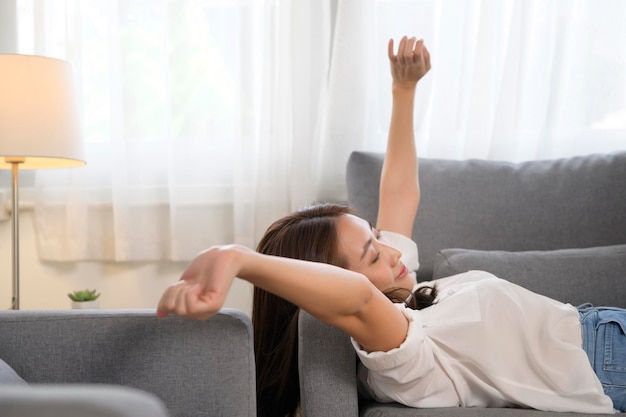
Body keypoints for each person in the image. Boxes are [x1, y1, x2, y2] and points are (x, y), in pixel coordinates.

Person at [156, 36, 625, 416]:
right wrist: (236, 258)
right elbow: (356, 300)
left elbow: (400, 194)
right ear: (337, 279)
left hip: (602, 324)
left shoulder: (410, 300)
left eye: (377, 237)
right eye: (373, 253)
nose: (393, 251)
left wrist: (404, 90)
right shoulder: (401, 354)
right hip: (606, 361)